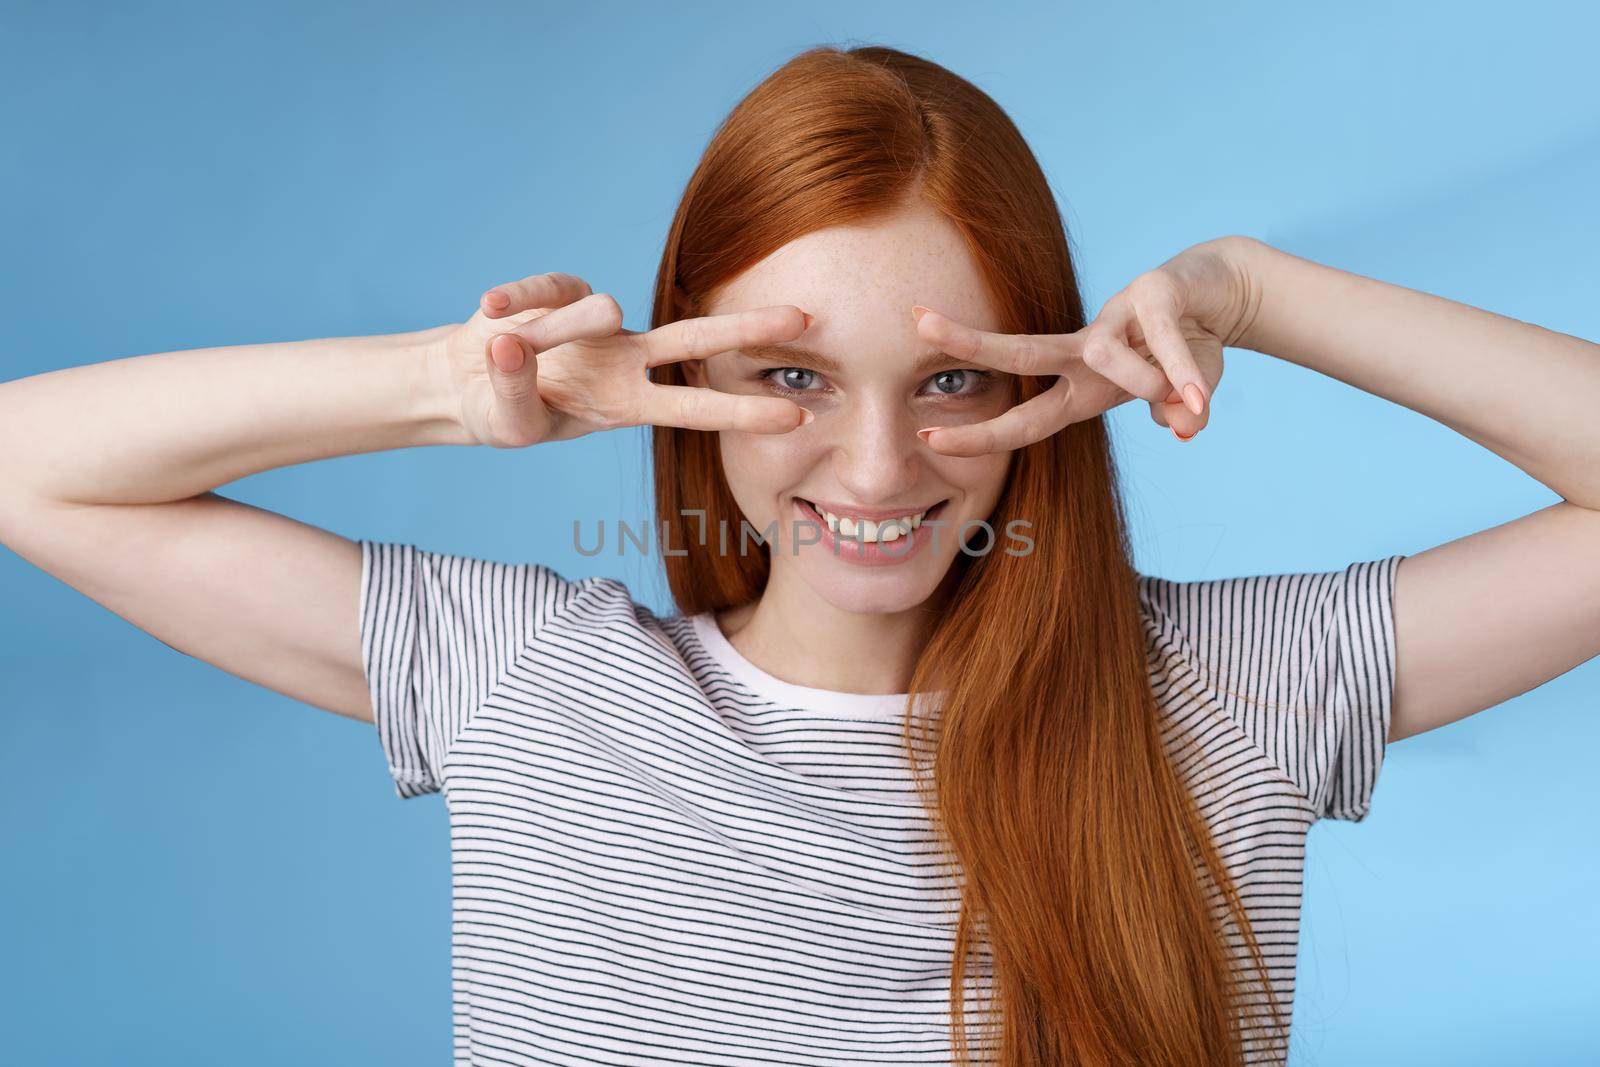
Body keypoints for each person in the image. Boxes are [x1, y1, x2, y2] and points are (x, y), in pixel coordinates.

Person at [1, 44, 1595, 1067]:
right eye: (792, 378)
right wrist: (456, 392)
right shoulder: (528, 684)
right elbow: (31, 468)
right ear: (691, 377)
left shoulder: (1226, 696)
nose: (881, 467)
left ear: (1048, 382)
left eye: (954, 379)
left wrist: (1253, 290)